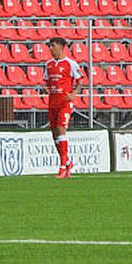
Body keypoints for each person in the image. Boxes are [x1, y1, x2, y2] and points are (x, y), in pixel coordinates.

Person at [43, 36, 84, 179]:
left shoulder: (71, 64)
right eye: (50, 45)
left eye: (53, 45)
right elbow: (46, 82)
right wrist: (46, 89)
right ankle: (67, 162)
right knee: (54, 133)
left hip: (65, 103)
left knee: (61, 128)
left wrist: (74, 94)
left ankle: (62, 167)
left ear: (61, 46)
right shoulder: (48, 64)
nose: (50, 48)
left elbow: (80, 82)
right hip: (52, 102)